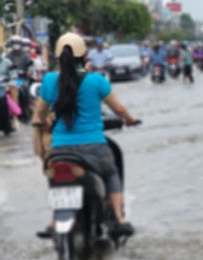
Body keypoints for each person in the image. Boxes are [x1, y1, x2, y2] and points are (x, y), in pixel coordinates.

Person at [32, 32, 140, 238]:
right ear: (84, 57)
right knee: (111, 172)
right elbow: (119, 109)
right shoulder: (96, 81)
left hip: (60, 150)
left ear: (57, 57)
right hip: (95, 148)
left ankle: (54, 220)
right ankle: (119, 217)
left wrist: (41, 121)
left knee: (56, 178)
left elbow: (39, 114)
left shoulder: (49, 81)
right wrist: (129, 119)